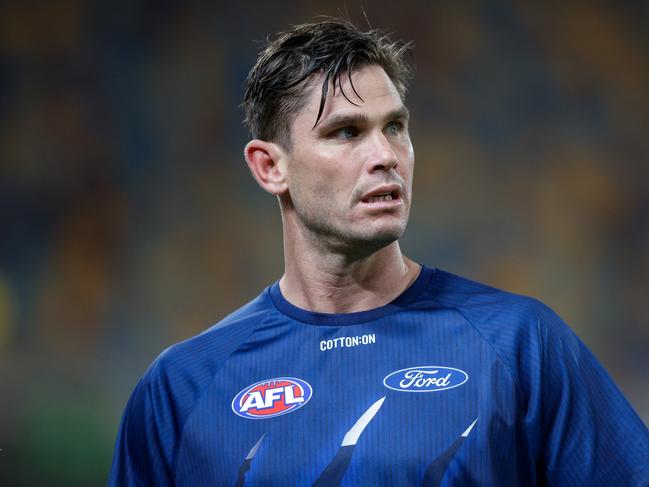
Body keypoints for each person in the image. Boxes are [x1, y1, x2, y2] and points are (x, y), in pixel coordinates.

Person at [108, 18, 649, 486]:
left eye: (395, 126)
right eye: (346, 132)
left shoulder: (520, 344)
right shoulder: (182, 387)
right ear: (271, 167)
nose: (385, 155)